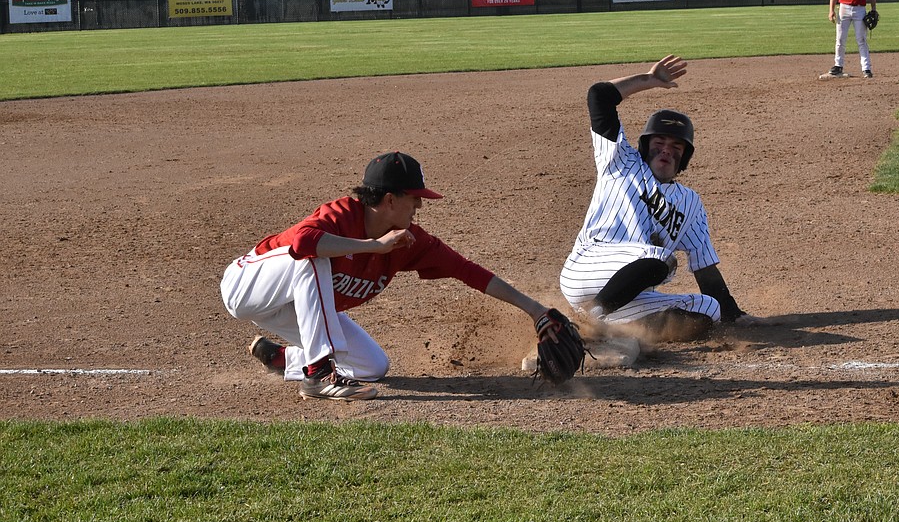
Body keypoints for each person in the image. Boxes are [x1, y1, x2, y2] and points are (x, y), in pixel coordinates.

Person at [221, 151, 565, 400]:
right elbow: (303, 242)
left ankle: (283, 359)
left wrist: (534, 310)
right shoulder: (341, 215)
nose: (419, 207)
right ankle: (317, 375)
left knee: (371, 366)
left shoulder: (409, 241)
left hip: (290, 308)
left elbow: (467, 271)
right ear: (389, 199)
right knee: (314, 256)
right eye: (414, 199)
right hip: (248, 286)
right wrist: (374, 245)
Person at [559, 54, 763, 337]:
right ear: (645, 146)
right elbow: (599, 96)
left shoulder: (690, 202)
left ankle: (622, 333)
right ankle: (587, 322)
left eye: (676, 146)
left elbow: (703, 264)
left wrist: (733, 313)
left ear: (684, 158)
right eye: (659, 142)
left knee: (708, 308)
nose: (667, 150)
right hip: (587, 268)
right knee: (661, 258)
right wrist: (649, 80)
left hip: (625, 296)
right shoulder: (620, 161)